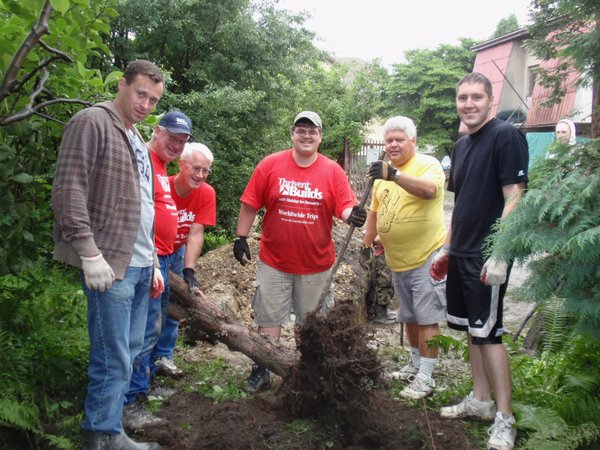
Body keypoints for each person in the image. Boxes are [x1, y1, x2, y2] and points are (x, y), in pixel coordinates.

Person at [51, 60, 165, 450]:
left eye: (153, 99)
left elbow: (144, 203)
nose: (146, 104)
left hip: (137, 264)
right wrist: (88, 253)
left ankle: (110, 428)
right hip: (109, 263)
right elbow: (69, 189)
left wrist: (151, 261)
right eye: (140, 94)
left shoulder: (134, 136)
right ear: (122, 85)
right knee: (112, 356)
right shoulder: (92, 122)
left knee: (129, 352)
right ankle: (99, 436)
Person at [233, 111, 367, 392]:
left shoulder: (332, 170)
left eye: (312, 131)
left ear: (320, 136)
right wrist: (241, 236)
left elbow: (343, 206)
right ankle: (263, 368)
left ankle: (310, 373)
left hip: (316, 265)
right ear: (292, 133)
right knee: (269, 318)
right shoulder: (270, 165)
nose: (306, 136)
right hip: (274, 261)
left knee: (312, 324)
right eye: (301, 130)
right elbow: (250, 203)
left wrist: (351, 215)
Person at [430, 72, 528, 450]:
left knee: (490, 333)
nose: (468, 104)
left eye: (476, 97)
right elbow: (461, 204)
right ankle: (480, 400)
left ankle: (505, 418)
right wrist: (446, 249)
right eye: (462, 98)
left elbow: (514, 195)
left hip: (488, 255)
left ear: (490, 99)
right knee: (473, 329)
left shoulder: (506, 136)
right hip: (463, 253)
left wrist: (500, 252)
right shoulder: (462, 145)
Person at [362, 116, 446, 400]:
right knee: (410, 316)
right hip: (398, 260)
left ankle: (426, 376)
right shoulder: (382, 178)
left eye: (399, 139)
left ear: (413, 140)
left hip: (426, 257)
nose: (393, 145)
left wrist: (393, 175)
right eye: (389, 140)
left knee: (427, 319)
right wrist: (368, 242)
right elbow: (375, 213)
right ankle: (414, 364)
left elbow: (429, 191)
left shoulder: (428, 165)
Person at [124, 111, 193, 430]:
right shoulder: (143, 160)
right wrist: (152, 261)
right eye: (172, 137)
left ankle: (144, 384)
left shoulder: (162, 166)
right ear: (156, 131)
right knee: (143, 330)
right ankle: (131, 401)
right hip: (145, 261)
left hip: (162, 258)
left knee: (156, 325)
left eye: (182, 141)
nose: (176, 145)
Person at [153, 142, 217, 371]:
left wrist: (189, 268)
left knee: (174, 301)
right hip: (155, 252)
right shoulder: (162, 187)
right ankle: (145, 361)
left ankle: (164, 356)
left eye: (205, 170)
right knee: (155, 305)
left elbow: (196, 232)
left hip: (178, 251)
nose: (200, 175)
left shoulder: (206, 193)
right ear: (181, 165)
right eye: (196, 168)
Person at [359, 236, 396, 324]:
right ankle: (379, 315)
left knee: (385, 281)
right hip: (383, 248)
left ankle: (382, 311)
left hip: (387, 248)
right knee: (384, 282)